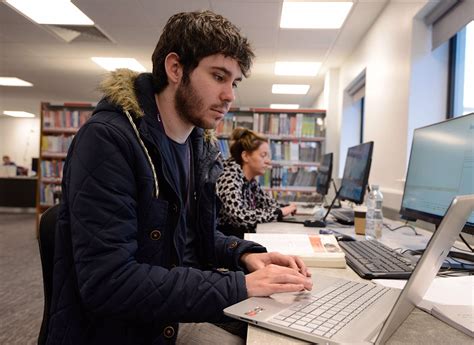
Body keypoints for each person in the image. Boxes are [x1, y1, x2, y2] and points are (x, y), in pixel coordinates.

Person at [47, 10, 312, 345]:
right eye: (218, 77)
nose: (230, 95)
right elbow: (108, 282)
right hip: (121, 332)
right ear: (175, 68)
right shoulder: (108, 141)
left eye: (234, 82)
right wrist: (240, 285)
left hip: (169, 314)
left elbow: (187, 237)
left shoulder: (196, 145)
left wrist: (243, 254)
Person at [216, 128, 297, 238]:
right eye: (263, 155)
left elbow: (268, 203)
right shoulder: (229, 176)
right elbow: (240, 216)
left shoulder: (250, 180)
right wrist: (280, 212)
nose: (268, 161)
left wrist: (287, 207)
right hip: (226, 244)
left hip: (239, 239)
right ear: (245, 156)